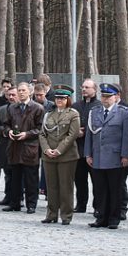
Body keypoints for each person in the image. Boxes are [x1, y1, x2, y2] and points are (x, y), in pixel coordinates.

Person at [85, 83, 128, 229]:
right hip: (98, 157)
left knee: (115, 189)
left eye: (108, 97)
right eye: (103, 96)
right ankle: (101, 217)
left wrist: (126, 156)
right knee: (100, 189)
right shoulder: (94, 112)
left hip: (115, 157)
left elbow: (127, 136)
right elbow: (89, 134)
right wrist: (88, 153)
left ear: (116, 97)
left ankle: (114, 218)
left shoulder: (123, 112)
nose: (105, 99)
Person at [39, 85, 80, 225]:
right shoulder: (49, 115)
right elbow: (42, 134)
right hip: (49, 155)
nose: (59, 101)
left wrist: (59, 150)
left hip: (66, 156)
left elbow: (72, 134)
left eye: (62, 98)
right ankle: (51, 214)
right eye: (57, 98)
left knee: (65, 187)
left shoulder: (73, 114)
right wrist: (46, 150)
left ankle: (66, 215)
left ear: (68, 99)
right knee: (51, 187)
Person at [2, 82, 44, 214]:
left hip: (30, 147)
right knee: (15, 177)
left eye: (23, 90)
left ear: (30, 92)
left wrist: (27, 134)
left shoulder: (38, 108)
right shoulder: (12, 108)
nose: (20, 93)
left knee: (31, 179)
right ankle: (15, 202)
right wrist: (8, 131)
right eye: (19, 90)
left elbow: (40, 129)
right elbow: (6, 124)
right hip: (15, 146)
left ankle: (31, 204)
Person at [72, 79, 101, 214]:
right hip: (78, 148)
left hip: (93, 150)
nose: (84, 89)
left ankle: (98, 206)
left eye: (87, 87)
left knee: (96, 180)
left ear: (94, 90)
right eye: (82, 87)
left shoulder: (99, 106)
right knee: (79, 179)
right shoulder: (76, 106)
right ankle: (81, 204)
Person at [112, 83, 128, 221]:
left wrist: (125, 154)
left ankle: (122, 208)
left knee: (121, 182)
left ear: (118, 95)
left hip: (120, 151)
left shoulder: (127, 108)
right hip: (107, 153)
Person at [0, 86, 18, 206]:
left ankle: (18, 197)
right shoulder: (2, 109)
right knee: (7, 172)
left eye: (14, 95)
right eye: (9, 95)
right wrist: (4, 131)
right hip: (5, 144)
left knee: (18, 173)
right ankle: (8, 196)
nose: (11, 97)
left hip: (19, 145)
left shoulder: (25, 109)